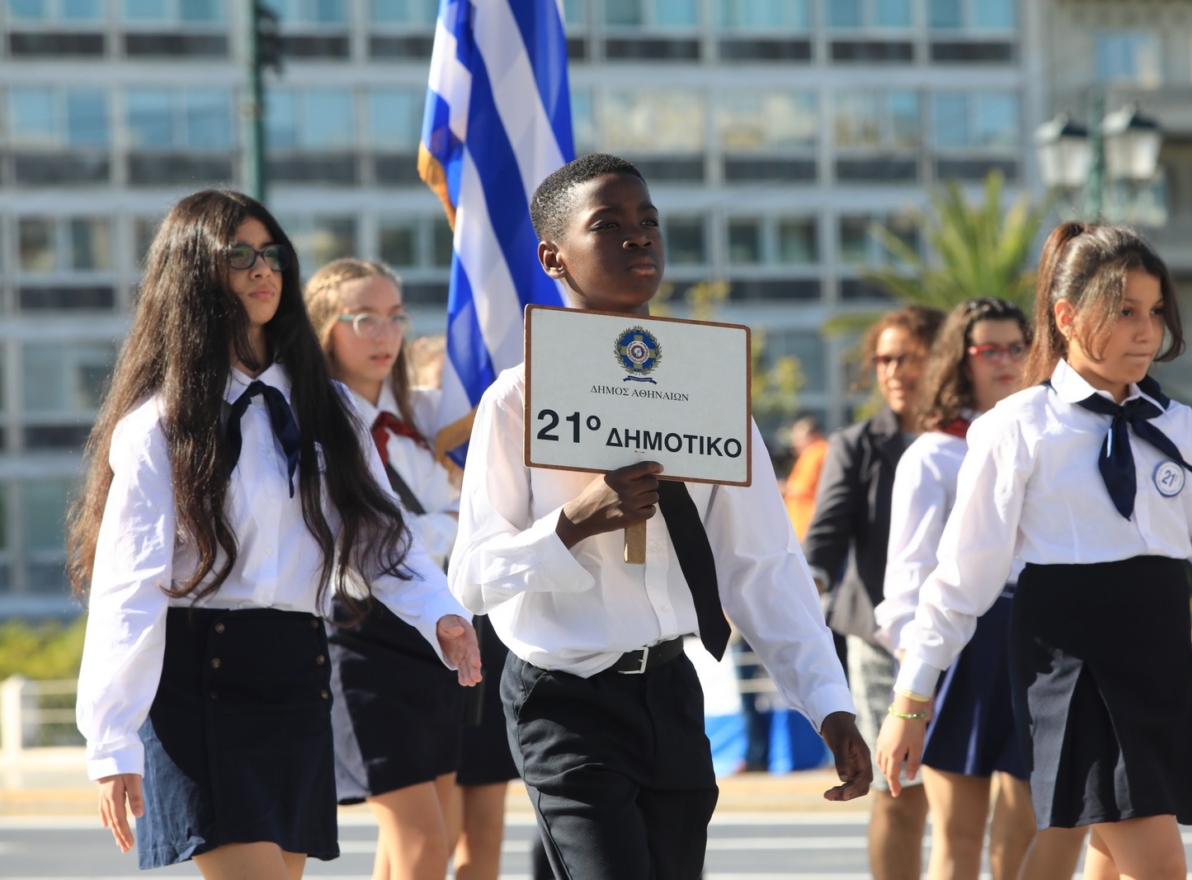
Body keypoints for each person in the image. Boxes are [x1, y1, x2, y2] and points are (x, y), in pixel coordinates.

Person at [447, 153, 871, 880]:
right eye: (607, 224)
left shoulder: (708, 393)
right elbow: (473, 577)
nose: (638, 237)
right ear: (554, 256)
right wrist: (573, 523)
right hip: (565, 701)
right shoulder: (517, 399)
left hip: (673, 694)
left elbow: (761, 565)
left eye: (648, 221)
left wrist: (828, 703)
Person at [877, 222, 1192, 880]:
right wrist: (911, 701)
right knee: (1159, 866)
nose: (1148, 332)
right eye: (1124, 312)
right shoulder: (1016, 428)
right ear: (1066, 316)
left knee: (1107, 862)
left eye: (1155, 312)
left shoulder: (1180, 426)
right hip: (1073, 671)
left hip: (1162, 663)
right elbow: (961, 580)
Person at [69, 190, 481, 877]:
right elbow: (129, 586)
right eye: (239, 256)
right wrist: (110, 740)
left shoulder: (330, 406)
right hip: (201, 677)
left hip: (297, 670)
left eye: (273, 254)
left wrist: (438, 613)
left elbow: (381, 534)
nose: (263, 270)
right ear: (193, 271)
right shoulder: (159, 425)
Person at [305, 259, 519, 880]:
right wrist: (433, 530)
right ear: (324, 329)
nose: (384, 334)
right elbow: (366, 541)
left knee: (428, 848)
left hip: (435, 636)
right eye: (363, 318)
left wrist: (427, 529)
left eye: (395, 317)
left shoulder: (419, 418)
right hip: (360, 636)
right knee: (424, 846)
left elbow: (459, 512)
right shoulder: (310, 423)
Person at [875, 297, 1075, 880]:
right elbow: (906, 591)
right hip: (961, 650)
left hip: (1038, 645)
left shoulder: (1048, 437)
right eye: (990, 350)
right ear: (960, 360)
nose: (1007, 362)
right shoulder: (933, 455)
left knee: (1024, 835)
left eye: (1018, 348)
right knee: (959, 843)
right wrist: (918, 681)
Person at [802, 305, 943, 880]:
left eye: (906, 356)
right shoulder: (856, 446)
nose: (893, 370)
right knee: (900, 790)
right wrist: (797, 598)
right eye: (883, 358)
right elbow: (824, 541)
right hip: (883, 643)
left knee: (975, 790)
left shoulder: (979, 433)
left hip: (966, 636)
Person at [782, 415, 829, 540]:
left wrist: (779, 487)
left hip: (806, 524)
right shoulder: (821, 451)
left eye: (798, 438)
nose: (795, 444)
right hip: (810, 525)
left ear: (813, 435)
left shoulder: (815, 452)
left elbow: (801, 487)